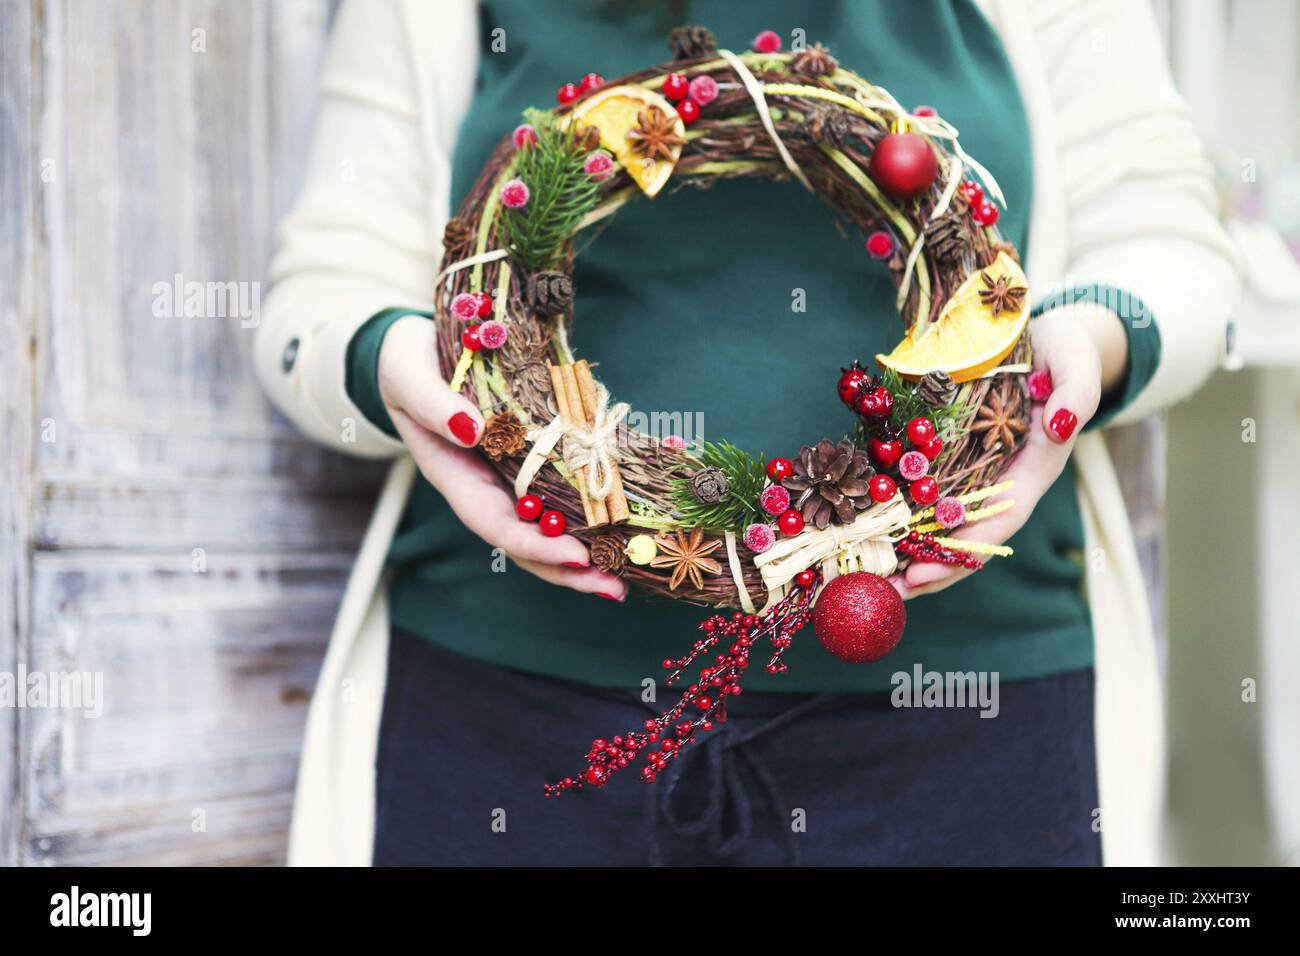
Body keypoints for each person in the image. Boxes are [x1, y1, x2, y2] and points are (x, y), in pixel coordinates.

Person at [257, 0, 1239, 866]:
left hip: (964, 719)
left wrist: (1088, 344)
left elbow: (1170, 246)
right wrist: (390, 365)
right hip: (507, 711)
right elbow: (323, 287)